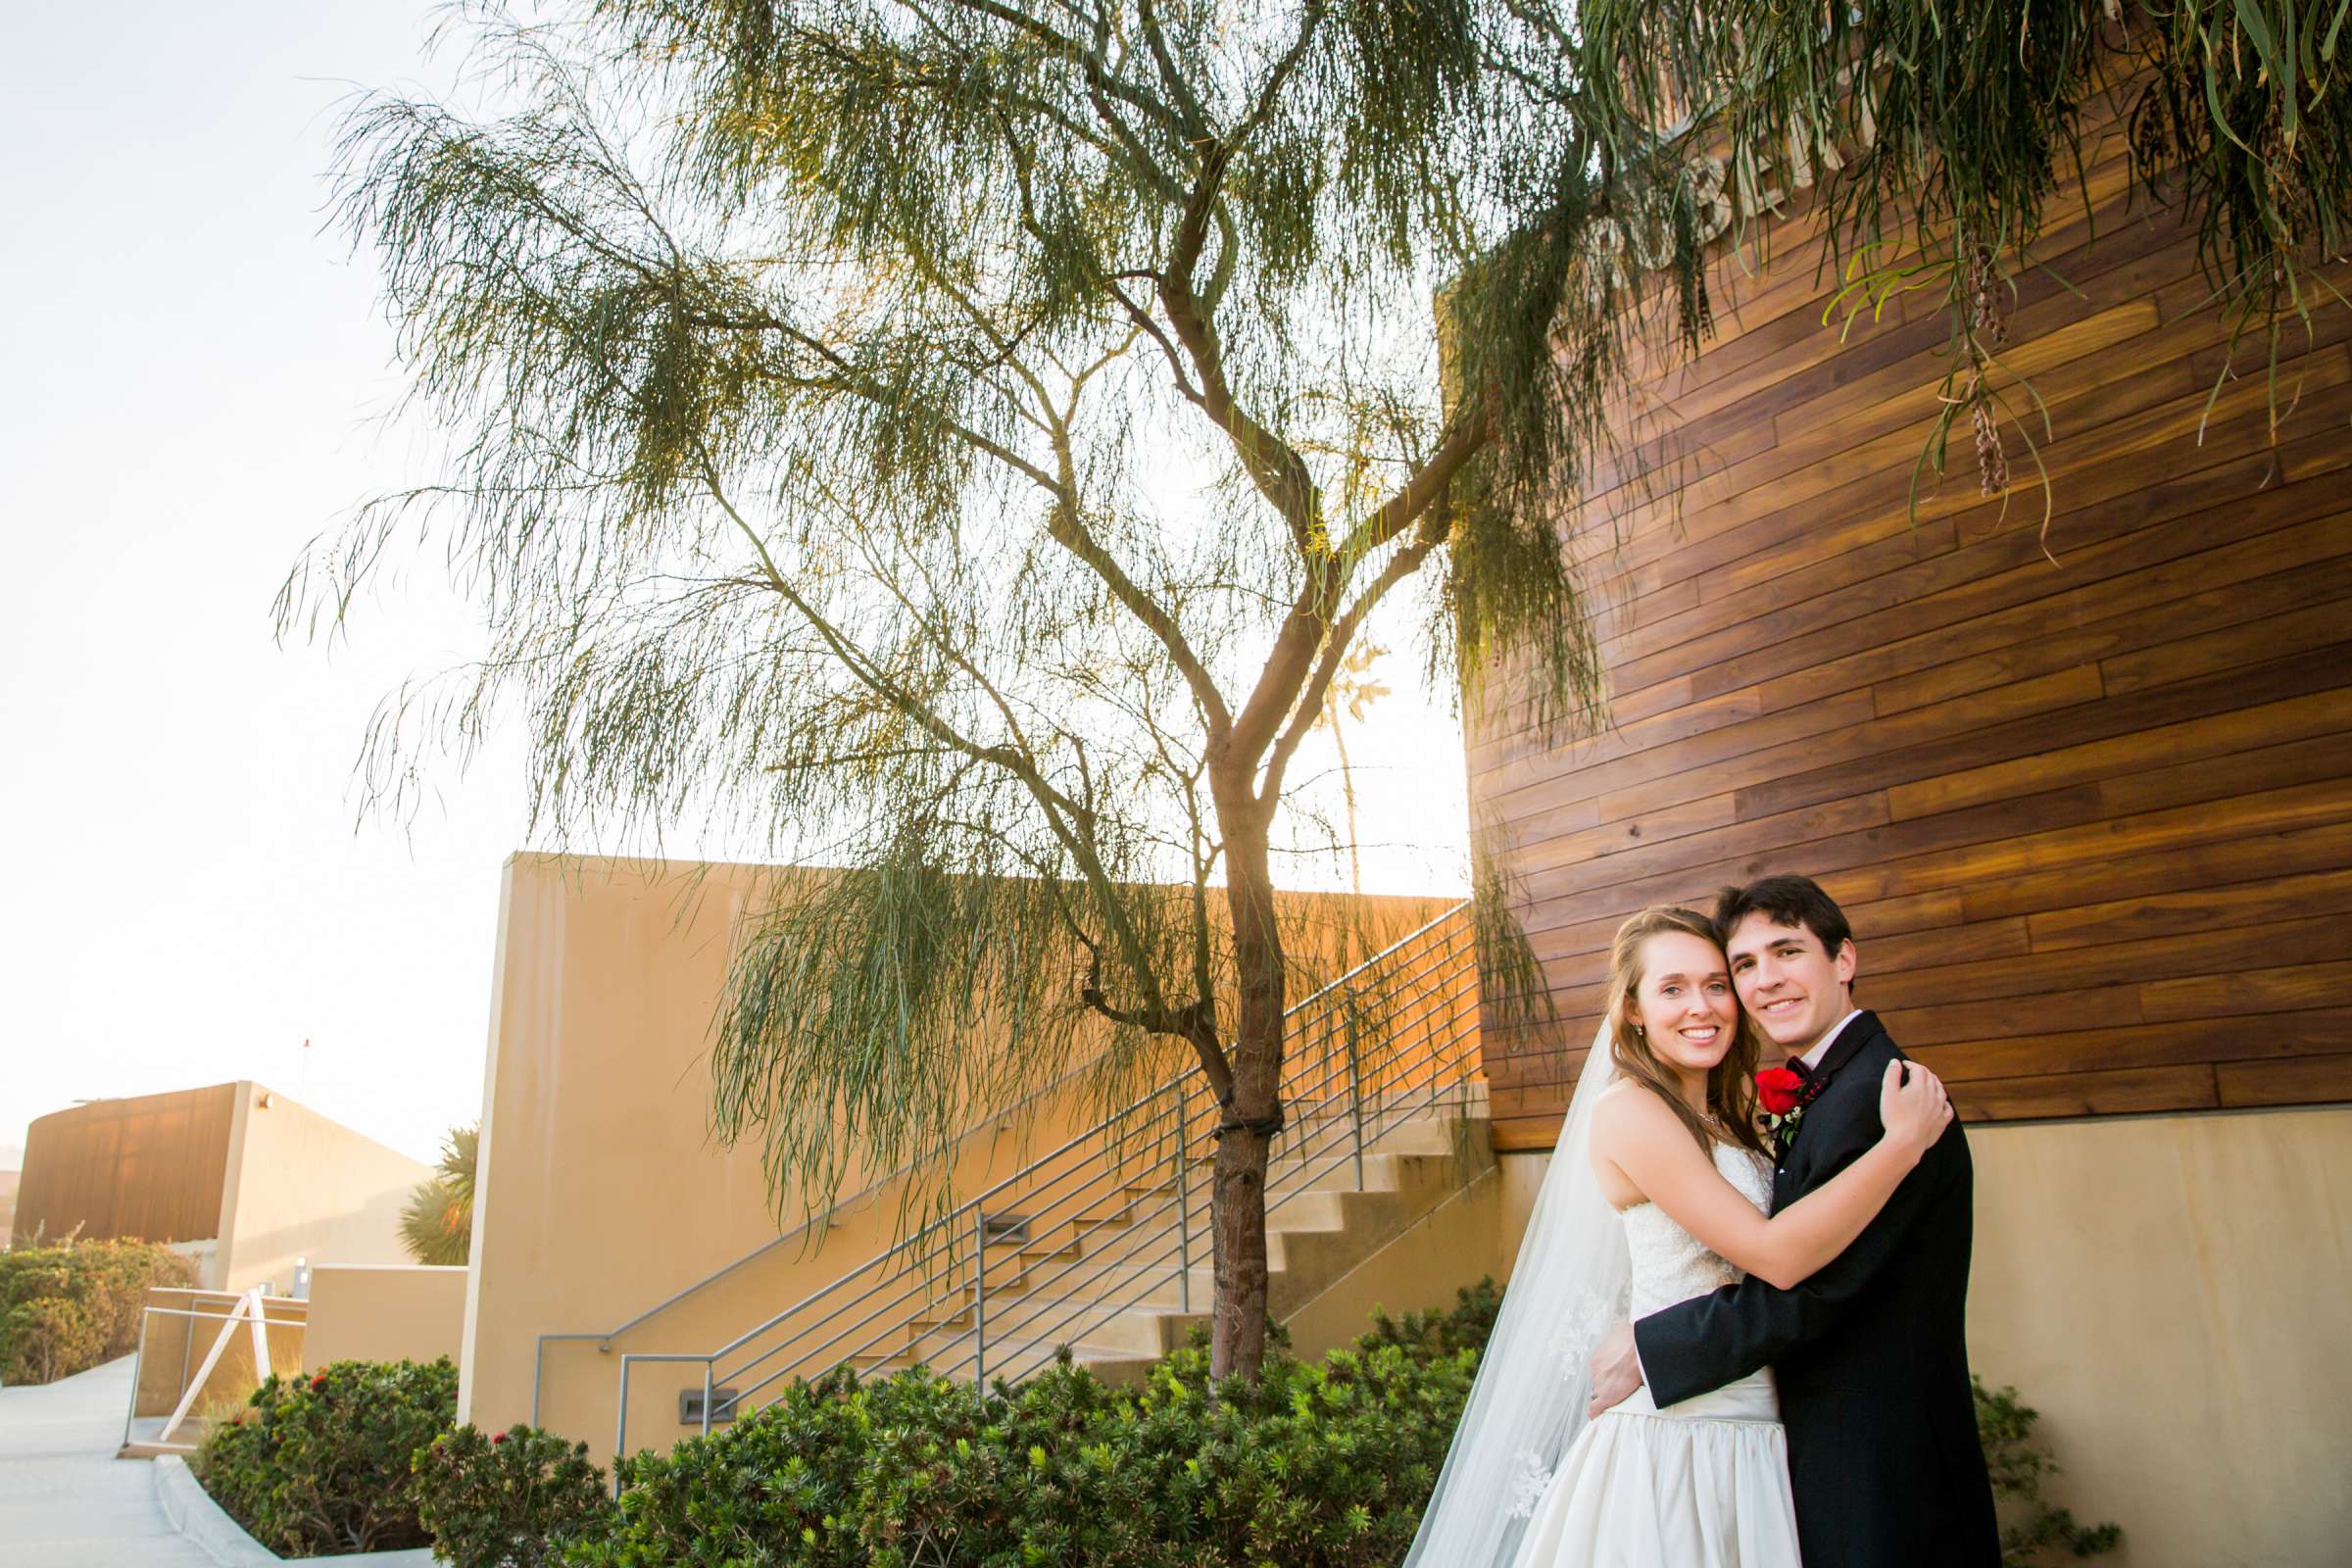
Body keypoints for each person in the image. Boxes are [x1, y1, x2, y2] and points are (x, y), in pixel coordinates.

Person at [1399, 903, 1951, 1568]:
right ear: (1633, 1008)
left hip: (1759, 1431)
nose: (1703, 1006)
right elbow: (1775, 1256)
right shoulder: (1631, 1111)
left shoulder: (1731, 1113)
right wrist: (1901, 1147)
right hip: (1681, 1438)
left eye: (1717, 984)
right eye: (1673, 989)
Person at [1586, 876, 2001, 1567]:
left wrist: (1658, 1345)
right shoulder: (1656, 1109)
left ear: (1844, 960)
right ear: (1631, 1008)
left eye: (1784, 954)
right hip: (1714, 1431)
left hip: (1862, 1453)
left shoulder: (1883, 1099)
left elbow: (1810, 1282)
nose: (1756, 984)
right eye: (1744, 966)